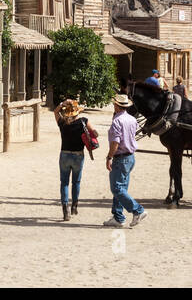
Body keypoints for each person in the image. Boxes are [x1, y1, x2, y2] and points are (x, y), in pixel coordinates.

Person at [104, 94, 148, 228]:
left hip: (121, 157)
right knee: (121, 188)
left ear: (117, 106)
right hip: (130, 157)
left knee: (117, 189)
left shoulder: (117, 121)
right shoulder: (132, 119)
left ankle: (138, 210)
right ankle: (118, 216)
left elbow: (115, 142)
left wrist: (109, 157)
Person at [55, 99, 96, 221]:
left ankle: (65, 210)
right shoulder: (83, 121)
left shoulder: (62, 122)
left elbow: (55, 112)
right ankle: (74, 206)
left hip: (64, 154)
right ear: (77, 112)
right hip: (78, 155)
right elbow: (95, 133)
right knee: (76, 182)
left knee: (64, 183)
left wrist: (62, 103)